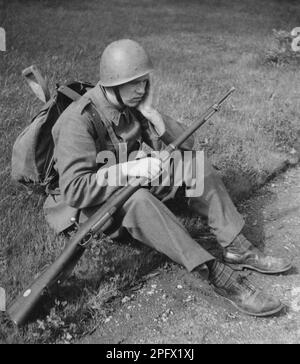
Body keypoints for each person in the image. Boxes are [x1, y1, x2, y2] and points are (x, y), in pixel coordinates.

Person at [44, 39, 292, 317]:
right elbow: (76, 190)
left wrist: (152, 114)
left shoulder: (131, 104)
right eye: (134, 83)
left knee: (193, 164)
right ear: (113, 83)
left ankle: (237, 247)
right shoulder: (78, 120)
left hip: (131, 180)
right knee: (137, 200)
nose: (142, 89)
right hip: (94, 205)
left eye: (144, 81)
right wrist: (128, 170)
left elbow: (187, 144)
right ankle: (219, 276)